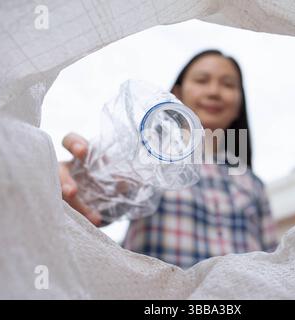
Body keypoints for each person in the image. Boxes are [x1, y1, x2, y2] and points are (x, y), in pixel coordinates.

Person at [59, 50, 277, 269]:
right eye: (202, 80)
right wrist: (77, 184)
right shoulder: (146, 155)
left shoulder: (253, 184)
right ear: (177, 94)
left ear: (238, 104)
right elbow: (101, 200)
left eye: (228, 85)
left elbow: (270, 264)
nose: (214, 91)